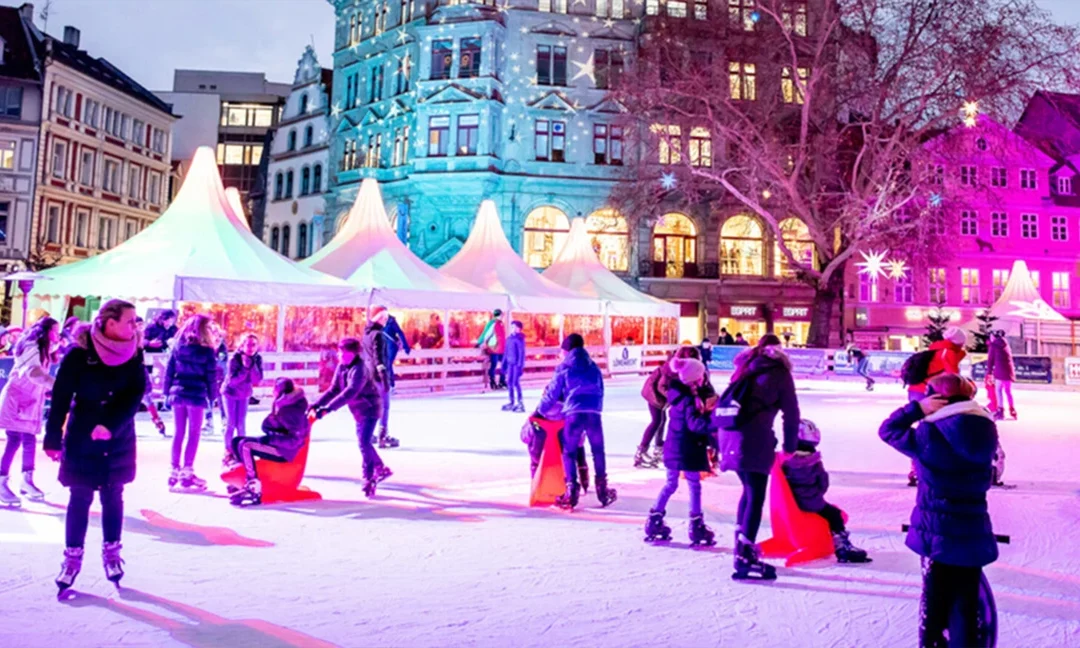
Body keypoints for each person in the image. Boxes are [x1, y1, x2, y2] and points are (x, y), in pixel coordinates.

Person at [879, 373, 999, 647]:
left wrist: (917, 409)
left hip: (936, 531)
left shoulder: (929, 433)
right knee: (966, 604)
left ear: (936, 399)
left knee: (934, 604)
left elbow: (888, 430)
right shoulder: (986, 429)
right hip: (973, 529)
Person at [44, 299, 147, 591]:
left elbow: (134, 395)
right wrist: (53, 438)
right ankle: (71, 559)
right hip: (82, 435)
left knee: (114, 494)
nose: (135, 326)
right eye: (130, 321)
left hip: (117, 435)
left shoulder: (134, 354)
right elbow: (61, 396)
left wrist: (111, 425)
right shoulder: (79, 354)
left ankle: (112, 554)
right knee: (80, 496)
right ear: (110, 323)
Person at [718, 334, 799, 580]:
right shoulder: (780, 373)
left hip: (728, 435)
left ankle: (740, 544)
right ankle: (744, 556)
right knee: (755, 495)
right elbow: (791, 412)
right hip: (754, 439)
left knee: (748, 490)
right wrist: (790, 446)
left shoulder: (744, 368)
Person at [534, 333, 617, 510]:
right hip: (594, 412)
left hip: (574, 413)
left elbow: (552, 394)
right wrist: (596, 407)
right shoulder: (593, 366)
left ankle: (571, 489)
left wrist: (540, 411)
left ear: (567, 350)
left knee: (569, 452)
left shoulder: (564, 367)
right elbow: (601, 389)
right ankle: (602, 489)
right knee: (598, 451)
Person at [644, 357, 718, 545]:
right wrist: (713, 421)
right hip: (688, 449)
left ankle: (654, 519)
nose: (703, 379)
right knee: (694, 485)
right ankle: (696, 525)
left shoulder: (678, 395)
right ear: (694, 379)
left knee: (671, 484)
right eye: (701, 376)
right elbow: (694, 425)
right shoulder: (689, 400)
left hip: (674, 447)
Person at [781, 420, 871, 562]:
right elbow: (823, 483)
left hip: (792, 502)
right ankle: (842, 547)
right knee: (834, 514)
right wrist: (817, 494)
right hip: (811, 502)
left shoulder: (786, 461)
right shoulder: (813, 462)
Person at [311, 338, 390, 497]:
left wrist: (328, 409)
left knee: (364, 442)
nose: (339, 355)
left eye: (343, 352)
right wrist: (316, 405)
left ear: (353, 353)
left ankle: (369, 478)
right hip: (358, 410)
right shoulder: (341, 367)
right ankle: (380, 468)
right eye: (339, 351)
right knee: (363, 442)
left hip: (370, 408)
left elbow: (350, 392)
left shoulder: (360, 369)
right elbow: (334, 390)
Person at [0, 317, 59, 506]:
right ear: (46, 331)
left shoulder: (42, 347)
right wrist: (56, 386)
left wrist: (47, 391)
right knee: (16, 439)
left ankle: (26, 481)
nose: (57, 335)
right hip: (17, 400)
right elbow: (33, 373)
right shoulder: (33, 346)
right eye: (55, 331)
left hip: (27, 401)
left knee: (26, 439)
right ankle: (2, 481)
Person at [229, 378, 310, 506]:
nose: (272, 392)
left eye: (274, 389)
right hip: (278, 445)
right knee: (237, 441)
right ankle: (245, 480)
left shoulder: (292, 411)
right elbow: (269, 426)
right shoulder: (283, 405)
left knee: (246, 446)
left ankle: (253, 487)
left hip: (284, 452)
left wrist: (271, 439)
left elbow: (294, 441)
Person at [905, 326, 967, 486]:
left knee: (923, 428)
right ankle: (922, 469)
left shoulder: (935, 350)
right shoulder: (949, 353)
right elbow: (954, 380)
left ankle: (916, 469)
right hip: (929, 393)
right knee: (931, 431)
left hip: (915, 391)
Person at [163, 314, 218, 491]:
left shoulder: (178, 347)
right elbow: (211, 376)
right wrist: (213, 396)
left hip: (178, 392)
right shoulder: (207, 351)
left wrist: (166, 392)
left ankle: (174, 470)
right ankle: (187, 471)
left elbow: (169, 370)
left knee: (178, 432)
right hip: (196, 394)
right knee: (194, 433)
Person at [635, 345, 703, 469]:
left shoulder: (682, 366)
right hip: (653, 394)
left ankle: (658, 447)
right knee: (656, 421)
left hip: (658, 395)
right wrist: (675, 398)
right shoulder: (673, 368)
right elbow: (662, 386)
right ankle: (642, 451)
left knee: (662, 421)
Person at [221, 333, 264, 466]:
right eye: (248, 344)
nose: (251, 347)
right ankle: (228, 451)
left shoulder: (257, 359)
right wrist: (245, 368)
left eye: (254, 345)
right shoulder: (234, 359)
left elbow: (257, 379)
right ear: (242, 345)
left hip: (244, 394)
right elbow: (232, 381)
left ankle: (241, 450)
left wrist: (252, 366)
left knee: (241, 423)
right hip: (230, 393)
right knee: (231, 422)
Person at [363, 305, 398, 448]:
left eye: (386, 317)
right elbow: (379, 358)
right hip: (377, 376)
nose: (385, 320)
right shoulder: (378, 335)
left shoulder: (366, 334)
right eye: (383, 317)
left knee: (373, 406)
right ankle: (383, 435)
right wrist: (384, 377)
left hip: (368, 376)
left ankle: (369, 434)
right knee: (384, 406)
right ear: (378, 318)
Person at [134, 317, 166, 436]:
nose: (141, 327)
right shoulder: (134, 339)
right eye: (138, 324)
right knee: (144, 399)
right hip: (136, 372)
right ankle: (157, 420)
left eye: (142, 324)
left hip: (137, 372)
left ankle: (157, 420)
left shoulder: (138, 339)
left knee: (146, 399)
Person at [985, 330, 1016, 421]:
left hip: (999, 371)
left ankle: (1000, 410)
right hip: (1009, 371)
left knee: (998, 390)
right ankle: (1012, 409)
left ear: (994, 337)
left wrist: (989, 372)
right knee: (1008, 391)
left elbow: (990, 360)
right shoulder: (1006, 344)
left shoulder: (994, 345)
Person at [203, 332, 228, 436]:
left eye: (219, 338)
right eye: (215, 337)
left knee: (222, 402)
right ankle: (209, 423)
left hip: (220, 379)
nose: (217, 340)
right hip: (208, 379)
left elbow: (222, 365)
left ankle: (225, 423)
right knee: (208, 402)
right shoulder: (206, 349)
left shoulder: (223, 351)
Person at [477, 309, 507, 390]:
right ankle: (492, 381)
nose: (503, 316)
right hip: (494, 347)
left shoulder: (501, 323)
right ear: (499, 315)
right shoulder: (493, 323)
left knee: (504, 363)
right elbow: (486, 334)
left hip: (501, 348)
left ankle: (502, 380)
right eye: (502, 315)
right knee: (494, 364)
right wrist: (481, 342)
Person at [501, 320, 526, 412]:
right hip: (509, 363)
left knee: (515, 382)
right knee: (509, 382)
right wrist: (504, 364)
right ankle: (511, 401)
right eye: (512, 327)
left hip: (516, 364)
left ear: (519, 329)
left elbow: (521, 353)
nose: (513, 329)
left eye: (515, 327)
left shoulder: (520, 339)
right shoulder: (509, 339)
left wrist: (520, 366)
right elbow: (506, 352)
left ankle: (520, 402)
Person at [382, 314, 411, 390]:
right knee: (384, 364)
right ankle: (387, 384)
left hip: (392, 346)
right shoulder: (378, 321)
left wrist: (406, 346)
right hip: (383, 346)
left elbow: (400, 332)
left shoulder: (391, 321)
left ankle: (391, 385)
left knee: (388, 364)